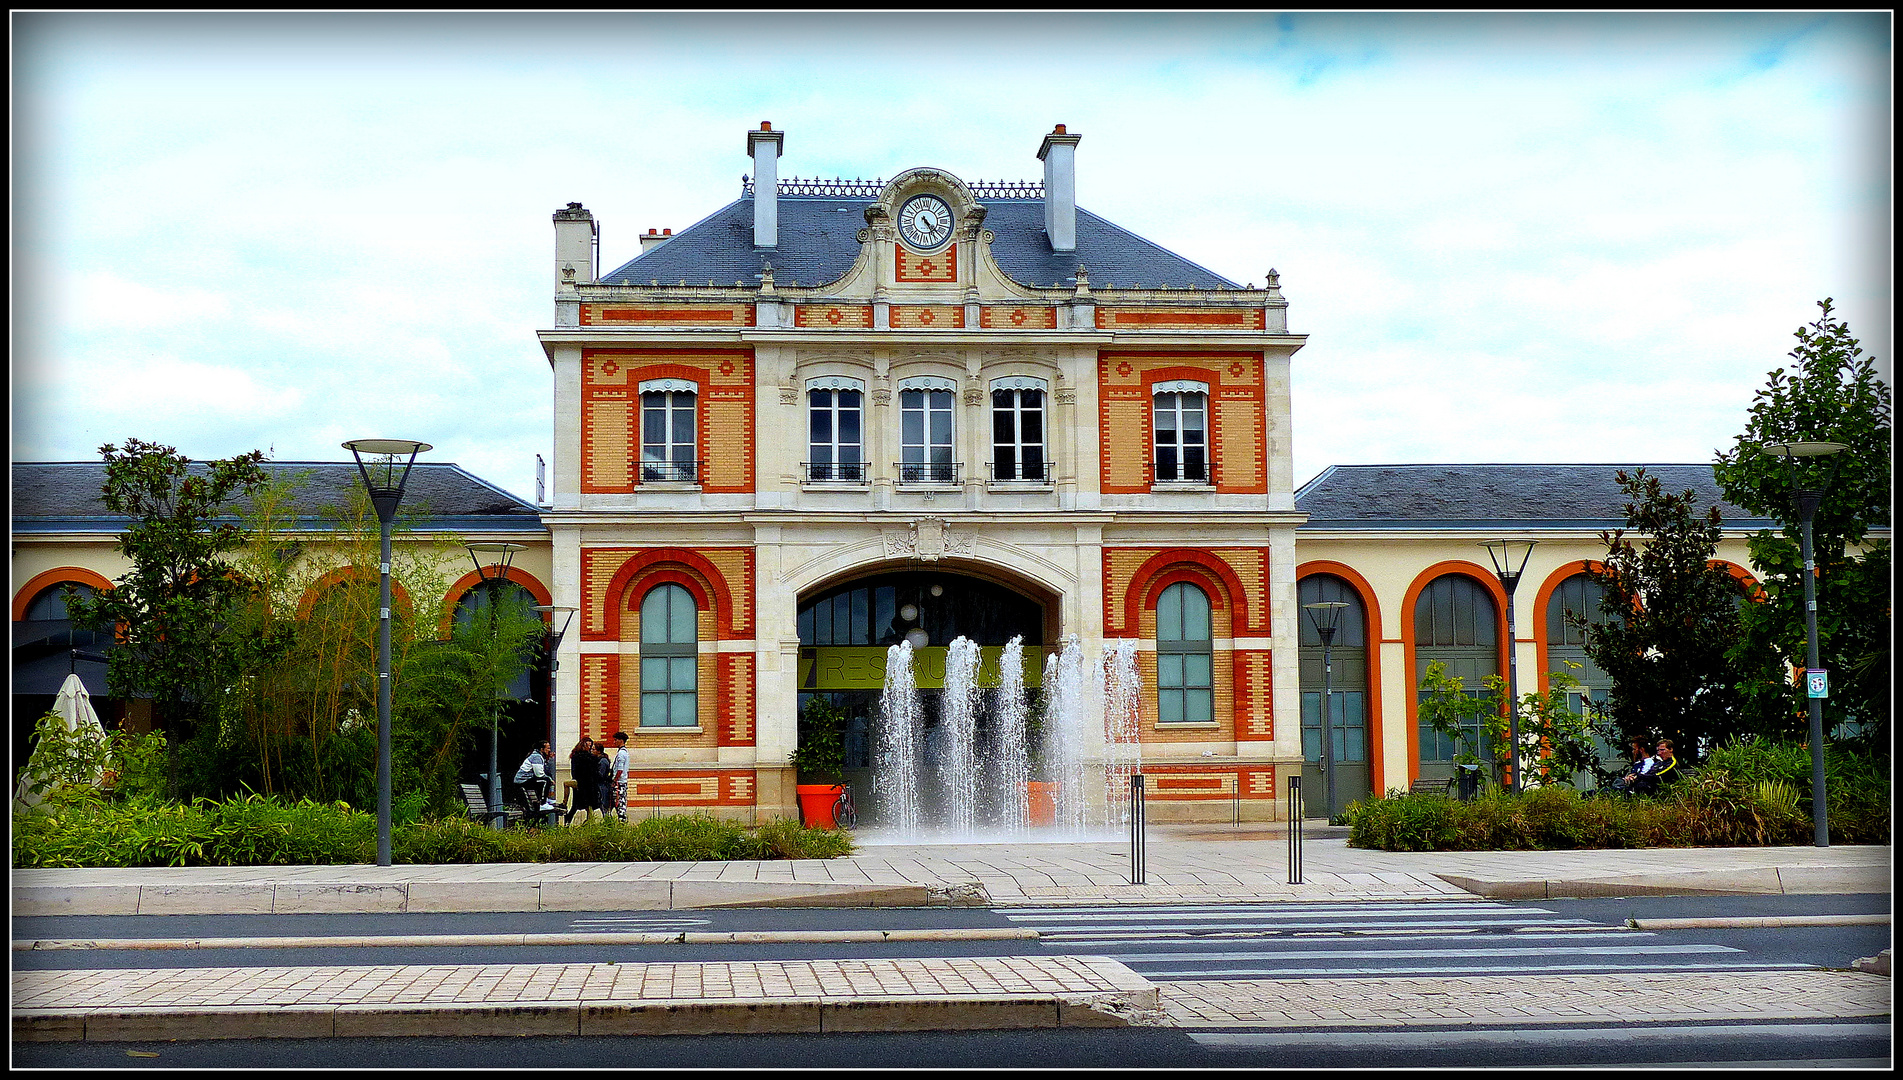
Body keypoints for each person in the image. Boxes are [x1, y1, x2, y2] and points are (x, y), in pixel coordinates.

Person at [514, 740, 557, 811]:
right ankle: (542, 803)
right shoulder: (536, 757)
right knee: (546, 781)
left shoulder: (539, 756)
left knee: (546, 779)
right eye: (548, 748)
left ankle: (545, 799)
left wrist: (550, 759)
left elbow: (545, 770)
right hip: (522, 781)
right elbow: (539, 774)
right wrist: (550, 779)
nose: (549, 750)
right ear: (542, 749)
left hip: (527, 779)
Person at [565, 736, 597, 824]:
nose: (589, 748)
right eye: (588, 746)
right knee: (580, 805)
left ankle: (568, 822)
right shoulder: (586, 757)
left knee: (579, 806)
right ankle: (569, 821)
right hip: (584, 784)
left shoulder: (575, 756)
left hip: (584, 784)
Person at [612, 730, 631, 824]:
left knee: (620, 802)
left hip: (620, 782)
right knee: (620, 802)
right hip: (622, 781)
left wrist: (615, 780)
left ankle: (622, 821)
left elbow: (620, 770)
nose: (614, 742)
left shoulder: (621, 754)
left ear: (621, 740)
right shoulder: (624, 752)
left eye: (616, 740)